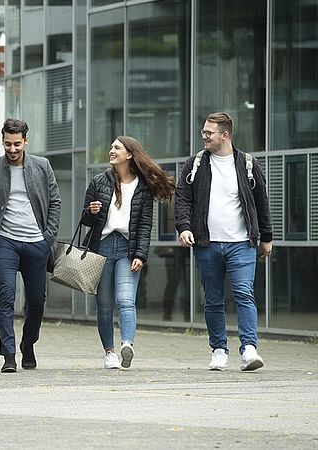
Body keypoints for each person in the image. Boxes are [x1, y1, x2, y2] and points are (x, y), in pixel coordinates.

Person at [175, 112, 272, 371]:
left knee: (244, 294)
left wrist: (267, 237)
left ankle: (249, 349)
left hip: (242, 243)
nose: (204, 136)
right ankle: (219, 349)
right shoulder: (194, 164)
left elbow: (261, 202)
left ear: (225, 135)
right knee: (214, 299)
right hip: (207, 244)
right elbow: (182, 199)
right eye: (204, 132)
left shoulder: (248, 164)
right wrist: (184, 227)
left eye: (209, 133)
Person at [0, 118, 62, 373]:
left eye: (17, 144)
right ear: (2, 141)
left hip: (36, 243)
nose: (12, 149)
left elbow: (55, 202)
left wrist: (48, 238)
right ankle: (8, 355)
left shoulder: (42, 166)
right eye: (8, 144)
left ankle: (28, 343)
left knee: (36, 301)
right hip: (5, 242)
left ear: (25, 141)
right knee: (5, 296)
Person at [81, 136, 175, 369]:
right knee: (104, 304)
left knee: (125, 299)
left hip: (127, 248)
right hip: (100, 247)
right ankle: (109, 352)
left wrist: (140, 255)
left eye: (117, 148)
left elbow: (145, 225)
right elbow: (85, 220)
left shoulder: (143, 187)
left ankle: (127, 345)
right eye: (111, 147)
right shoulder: (98, 182)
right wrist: (91, 212)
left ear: (130, 155)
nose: (111, 151)